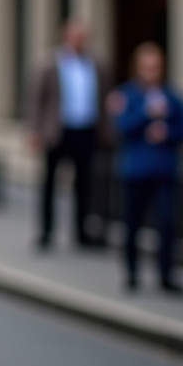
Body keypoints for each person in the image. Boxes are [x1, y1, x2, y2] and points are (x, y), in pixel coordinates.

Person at [29, 18, 112, 250]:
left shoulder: (97, 63)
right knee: (49, 184)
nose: (79, 41)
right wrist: (34, 130)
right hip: (57, 130)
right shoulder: (49, 63)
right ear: (65, 36)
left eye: (83, 36)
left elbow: (105, 97)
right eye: (75, 36)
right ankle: (46, 232)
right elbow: (37, 98)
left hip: (86, 129)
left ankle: (82, 232)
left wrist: (106, 130)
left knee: (84, 184)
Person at [108, 43, 182, 293]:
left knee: (166, 223)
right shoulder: (126, 95)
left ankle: (166, 274)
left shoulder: (171, 97)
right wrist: (146, 113)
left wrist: (167, 133)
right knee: (132, 224)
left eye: (156, 67)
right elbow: (122, 127)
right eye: (147, 67)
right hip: (135, 170)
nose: (152, 72)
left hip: (164, 170)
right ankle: (131, 272)